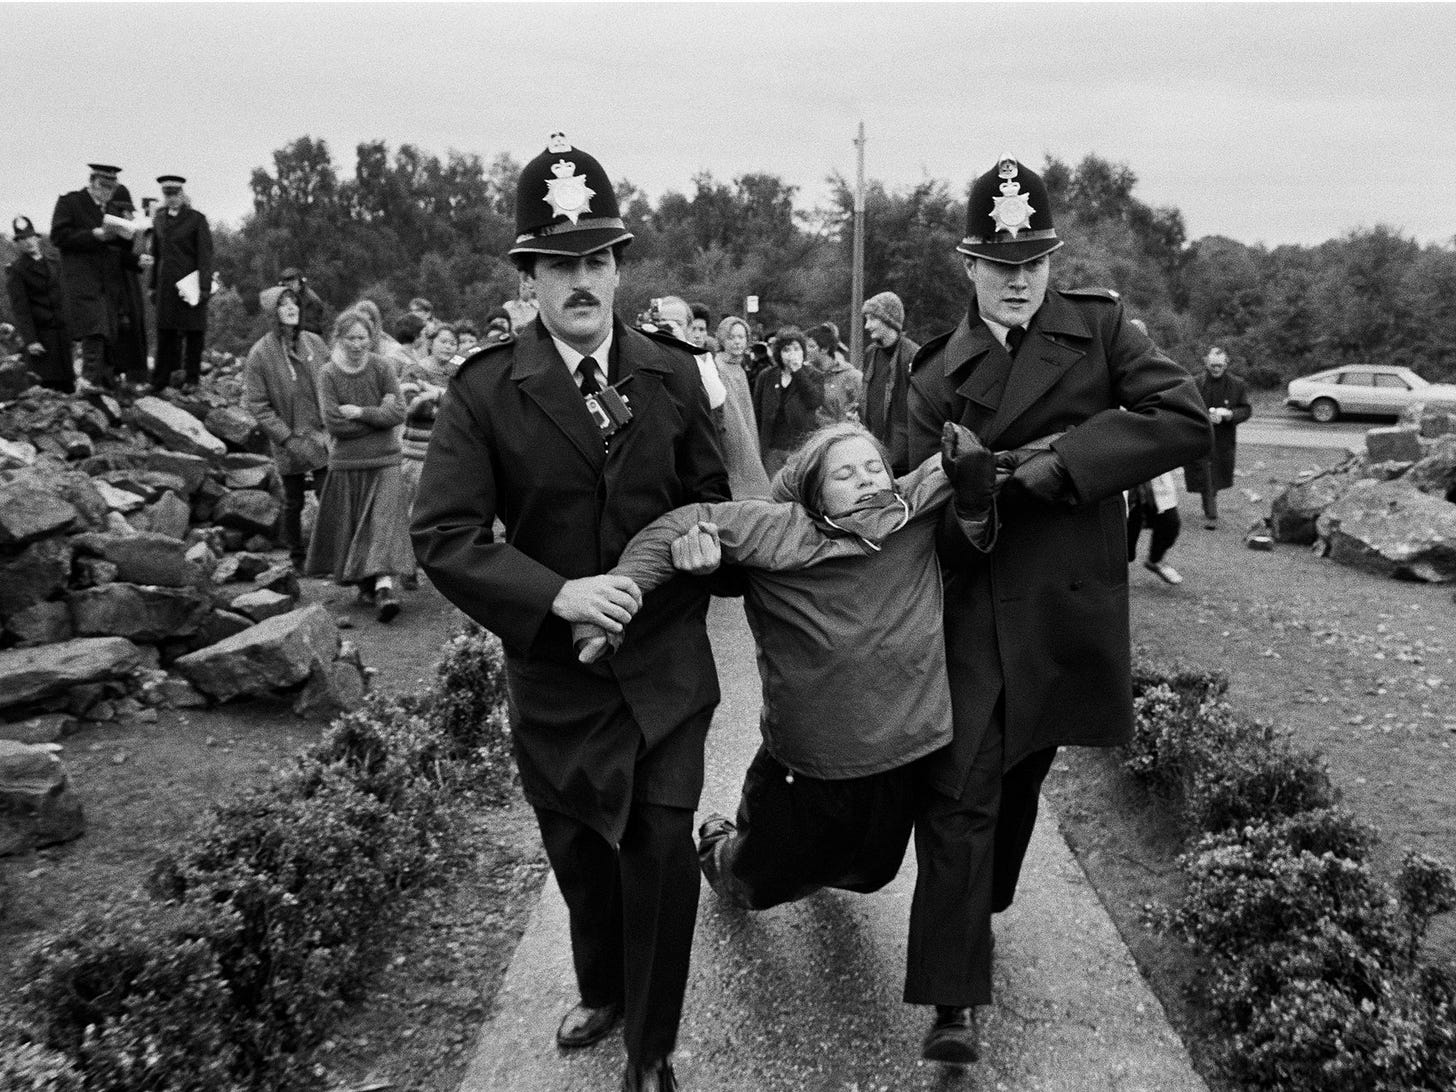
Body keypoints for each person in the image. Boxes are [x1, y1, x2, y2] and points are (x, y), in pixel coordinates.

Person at [410, 133, 730, 1092]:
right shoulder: (485, 390)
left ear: (619, 268)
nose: (582, 280)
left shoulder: (675, 374)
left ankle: (652, 1049)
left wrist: (708, 551)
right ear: (530, 278)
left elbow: (711, 502)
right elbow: (446, 535)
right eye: (561, 264)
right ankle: (603, 988)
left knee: (660, 851)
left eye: (597, 260)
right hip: (554, 675)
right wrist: (557, 594)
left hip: (664, 669)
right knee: (582, 849)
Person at [903, 154, 1210, 1065]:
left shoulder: (1100, 329)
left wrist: (1060, 466)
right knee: (959, 793)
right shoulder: (933, 375)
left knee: (1018, 782)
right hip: (973, 608)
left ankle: (979, 909)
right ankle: (953, 1000)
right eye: (1000, 266)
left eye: (1033, 263)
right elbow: (918, 524)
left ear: (1052, 262)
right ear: (969, 265)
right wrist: (971, 500)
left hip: (1064, 611)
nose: (1019, 281)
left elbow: (1182, 416)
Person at [574, 421, 996, 913]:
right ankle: (717, 847)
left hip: (903, 749)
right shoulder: (774, 530)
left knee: (872, 874)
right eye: (844, 474)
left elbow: (1005, 464)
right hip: (807, 760)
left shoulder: (914, 507)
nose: (865, 479)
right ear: (813, 492)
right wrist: (609, 609)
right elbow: (674, 528)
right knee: (756, 884)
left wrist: (977, 468)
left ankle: (817, 868)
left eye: (874, 467)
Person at [306, 309, 412, 622]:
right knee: (355, 526)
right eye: (350, 338)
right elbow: (334, 423)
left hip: (386, 459)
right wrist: (379, 416)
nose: (357, 344)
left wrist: (361, 412)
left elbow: (398, 413)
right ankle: (367, 584)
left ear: (372, 337)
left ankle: (384, 587)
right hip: (347, 462)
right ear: (338, 338)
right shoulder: (327, 373)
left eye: (362, 337)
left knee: (383, 522)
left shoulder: (381, 367)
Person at [242, 286, 330, 567]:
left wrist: (334, 424)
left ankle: (330, 554)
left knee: (329, 493)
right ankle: (297, 555)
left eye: (294, 302)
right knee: (293, 500)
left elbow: (333, 382)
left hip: (321, 434)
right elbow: (258, 405)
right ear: (272, 312)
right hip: (288, 439)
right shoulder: (260, 354)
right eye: (283, 304)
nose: (292, 307)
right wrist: (287, 438)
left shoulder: (314, 343)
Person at [49, 163, 153, 390]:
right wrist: (93, 235)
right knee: (94, 327)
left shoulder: (112, 210)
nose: (107, 191)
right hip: (82, 277)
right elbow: (59, 236)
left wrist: (135, 261)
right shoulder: (71, 202)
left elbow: (115, 250)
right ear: (92, 182)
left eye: (111, 187)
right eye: (103, 186)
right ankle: (88, 379)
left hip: (108, 281)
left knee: (108, 330)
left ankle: (102, 382)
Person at [149, 175, 213, 389]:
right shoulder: (159, 219)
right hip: (166, 284)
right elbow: (156, 254)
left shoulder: (196, 219)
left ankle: (192, 378)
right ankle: (160, 379)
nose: (172, 198)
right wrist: (152, 286)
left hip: (190, 284)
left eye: (175, 193)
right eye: (167, 194)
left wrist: (204, 287)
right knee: (165, 332)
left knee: (194, 332)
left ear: (182, 194)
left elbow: (205, 255)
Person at [1184, 346, 1252, 530]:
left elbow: (1246, 410)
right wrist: (1204, 417)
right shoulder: (1195, 383)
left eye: (1219, 366)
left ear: (1226, 364)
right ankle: (1210, 509)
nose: (1216, 369)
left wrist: (1230, 415)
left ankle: (1210, 504)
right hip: (1199, 436)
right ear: (1206, 362)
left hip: (1223, 438)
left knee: (1216, 474)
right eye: (1213, 365)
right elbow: (1185, 407)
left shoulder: (1237, 384)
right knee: (1203, 472)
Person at [5, 216, 73, 392]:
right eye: (22, 239)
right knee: (45, 389)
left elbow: (65, 297)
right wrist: (31, 340)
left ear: (37, 238)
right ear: (18, 243)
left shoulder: (54, 262)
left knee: (68, 389)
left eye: (30, 237)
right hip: (42, 340)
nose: (28, 242)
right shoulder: (17, 270)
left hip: (62, 337)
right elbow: (21, 310)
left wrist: (73, 330)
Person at [752, 326, 825, 478]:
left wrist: (798, 372)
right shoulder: (766, 376)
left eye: (797, 349)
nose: (792, 354)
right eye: (786, 350)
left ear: (803, 352)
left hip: (799, 447)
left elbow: (814, 401)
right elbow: (757, 411)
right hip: (772, 448)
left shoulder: (814, 375)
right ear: (779, 353)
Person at [712, 316, 772, 499]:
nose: (737, 342)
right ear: (722, 340)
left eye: (741, 337)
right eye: (731, 337)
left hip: (745, 429)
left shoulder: (738, 367)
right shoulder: (719, 367)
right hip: (730, 435)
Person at [861, 290, 917, 474]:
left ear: (888, 320)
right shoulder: (871, 353)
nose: (867, 326)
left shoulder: (912, 355)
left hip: (901, 459)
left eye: (872, 319)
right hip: (873, 449)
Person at [1127, 469, 1183, 584]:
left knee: (1170, 524)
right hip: (1130, 484)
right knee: (1127, 543)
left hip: (1158, 485)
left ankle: (1155, 560)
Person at [806, 321, 862, 424]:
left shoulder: (852, 376)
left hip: (842, 431)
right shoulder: (805, 375)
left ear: (825, 349)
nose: (806, 351)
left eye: (811, 346)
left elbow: (863, 408)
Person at [278, 267, 328, 335]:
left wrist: (292, 323)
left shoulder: (311, 300)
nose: (289, 287)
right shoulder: (288, 297)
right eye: (286, 285)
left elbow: (316, 328)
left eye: (293, 283)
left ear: (300, 283)